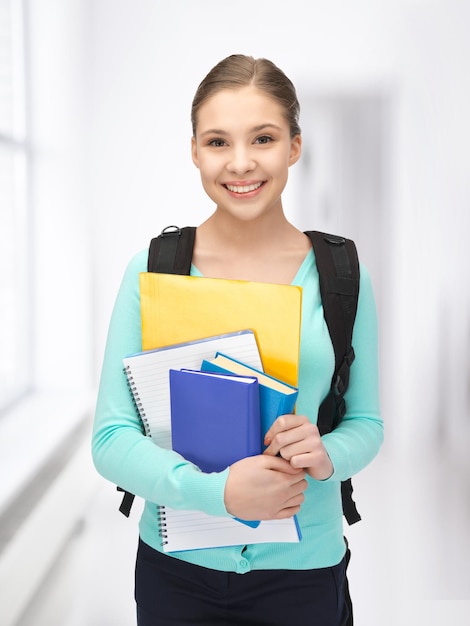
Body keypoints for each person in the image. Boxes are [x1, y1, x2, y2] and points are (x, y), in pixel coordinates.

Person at [92, 54, 383, 625]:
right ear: (195, 151)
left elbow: (366, 425)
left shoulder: (341, 275)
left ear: (295, 146)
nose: (242, 163)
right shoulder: (154, 270)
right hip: (176, 572)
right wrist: (215, 493)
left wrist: (328, 454)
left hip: (305, 571)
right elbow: (110, 438)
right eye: (219, 141)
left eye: (264, 138)